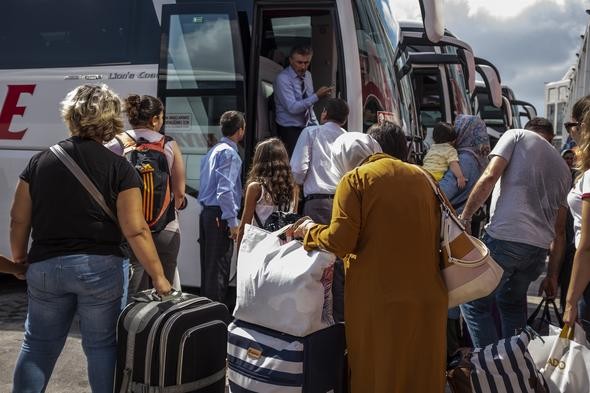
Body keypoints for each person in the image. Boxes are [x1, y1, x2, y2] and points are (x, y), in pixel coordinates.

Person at [9, 84, 172, 393]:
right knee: (101, 346)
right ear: (112, 121)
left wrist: (19, 258)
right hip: (101, 268)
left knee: (38, 345)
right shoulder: (120, 168)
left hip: (45, 266)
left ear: (71, 116)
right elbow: (135, 229)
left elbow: (19, 218)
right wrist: (159, 276)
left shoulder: (40, 161)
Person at [290, 132, 447, 392]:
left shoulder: (355, 179)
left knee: (378, 376)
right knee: (420, 376)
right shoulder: (423, 177)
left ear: (339, 159)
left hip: (381, 302)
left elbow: (341, 241)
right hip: (429, 300)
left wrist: (309, 231)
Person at [458, 117, 571, 347]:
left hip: (506, 238)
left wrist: (466, 216)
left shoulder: (516, 135)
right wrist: (552, 275)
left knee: (472, 301)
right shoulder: (563, 168)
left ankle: (491, 367)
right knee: (511, 303)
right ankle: (515, 366)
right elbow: (560, 232)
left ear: (529, 129)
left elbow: (490, 176)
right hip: (537, 252)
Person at [106, 94, 186, 297]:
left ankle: (132, 327)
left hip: (129, 230)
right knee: (166, 291)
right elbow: (179, 193)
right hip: (166, 229)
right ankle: (164, 327)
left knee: (133, 293)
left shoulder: (116, 144)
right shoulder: (168, 144)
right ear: (155, 119)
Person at [290, 97, 349, 322]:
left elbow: (298, 170)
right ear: (345, 119)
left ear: (324, 114)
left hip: (317, 204)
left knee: (315, 260)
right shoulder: (349, 139)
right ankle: (340, 318)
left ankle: (315, 317)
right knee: (341, 262)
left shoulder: (311, 133)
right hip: (343, 203)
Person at [198, 110, 245, 305]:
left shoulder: (213, 150)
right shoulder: (229, 153)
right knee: (218, 270)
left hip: (208, 214)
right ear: (240, 130)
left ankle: (205, 315)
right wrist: (233, 222)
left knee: (209, 268)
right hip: (220, 215)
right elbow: (224, 190)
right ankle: (214, 319)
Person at [237, 137, 299, 248]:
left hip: (260, 246)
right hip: (283, 247)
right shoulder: (293, 188)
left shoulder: (256, 188)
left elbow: (244, 227)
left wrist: (239, 258)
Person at [273, 44, 333, 156]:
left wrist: (316, 125)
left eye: (307, 63)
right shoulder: (283, 79)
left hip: (307, 125)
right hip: (289, 128)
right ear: (291, 60)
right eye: (299, 62)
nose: (303, 67)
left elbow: (308, 105)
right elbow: (292, 108)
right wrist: (316, 96)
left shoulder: (308, 75)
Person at [422, 121, 467, 188]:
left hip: (423, 172)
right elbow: (453, 164)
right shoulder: (450, 150)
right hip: (434, 176)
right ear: (454, 140)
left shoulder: (432, 148)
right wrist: (460, 177)